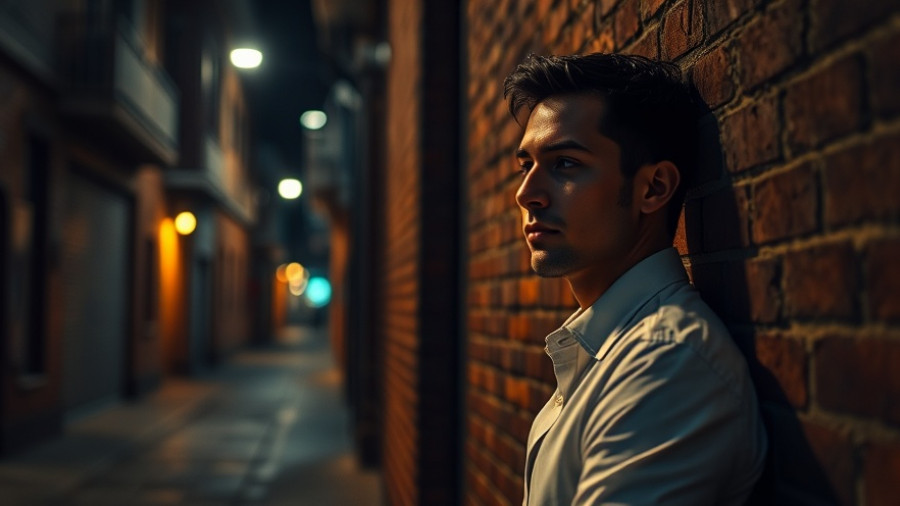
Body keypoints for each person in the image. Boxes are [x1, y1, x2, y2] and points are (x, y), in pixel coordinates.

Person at [504, 53, 767, 505]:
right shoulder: (607, 349)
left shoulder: (667, 365)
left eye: (565, 163)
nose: (526, 194)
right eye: (526, 165)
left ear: (653, 188)